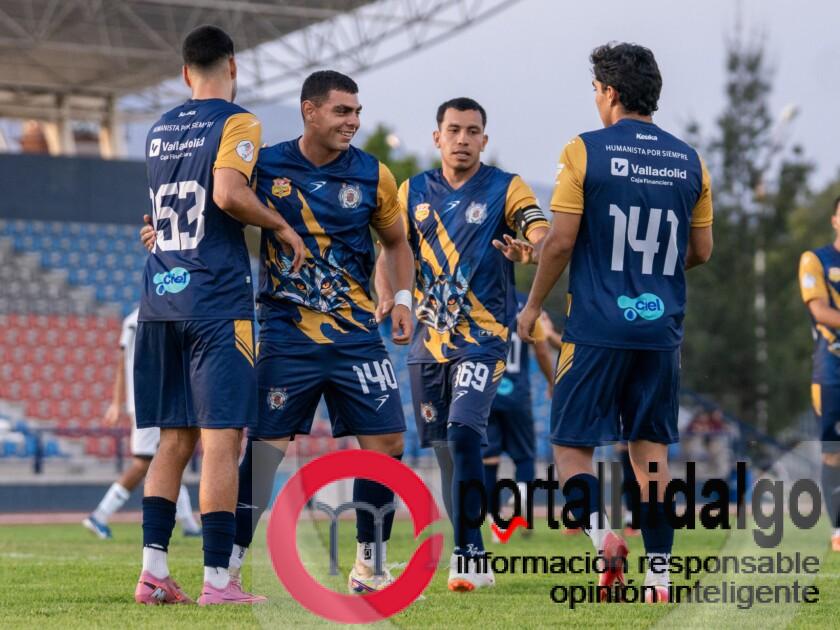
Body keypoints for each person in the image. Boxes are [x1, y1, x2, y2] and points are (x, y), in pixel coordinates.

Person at [517, 43, 713, 604]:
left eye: (596, 90)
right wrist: (650, 277)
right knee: (651, 457)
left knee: (571, 450)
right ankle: (659, 579)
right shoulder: (690, 160)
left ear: (609, 92)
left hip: (596, 328)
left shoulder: (584, 150)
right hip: (660, 330)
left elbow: (560, 241)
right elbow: (701, 250)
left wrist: (532, 306)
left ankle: (604, 536)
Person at [133, 24, 303, 606]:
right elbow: (228, 193)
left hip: (161, 297)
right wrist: (281, 225)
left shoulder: (159, 129)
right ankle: (217, 581)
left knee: (172, 439)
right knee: (222, 439)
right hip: (215, 301)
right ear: (233, 66)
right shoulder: (237, 122)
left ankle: (153, 573)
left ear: (185, 72)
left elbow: (160, 217)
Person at [228, 70, 415, 595]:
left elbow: (397, 243)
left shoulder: (373, 174)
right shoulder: (266, 165)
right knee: (264, 453)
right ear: (309, 111)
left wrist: (402, 299)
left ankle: (369, 567)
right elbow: (222, 201)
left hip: (356, 335)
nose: (353, 122)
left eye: (357, 112)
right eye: (342, 111)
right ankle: (227, 567)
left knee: (388, 444)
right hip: (287, 335)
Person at [376, 97, 550, 591]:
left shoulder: (505, 187)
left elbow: (540, 232)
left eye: (473, 131)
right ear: (437, 137)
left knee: (464, 434)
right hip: (428, 344)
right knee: (447, 454)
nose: (463, 139)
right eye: (453, 130)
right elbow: (390, 249)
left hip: (484, 339)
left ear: (484, 140)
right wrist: (390, 296)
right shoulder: (413, 190)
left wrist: (532, 249)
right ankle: (474, 551)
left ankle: (467, 553)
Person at [83, 307, 201, 540]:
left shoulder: (134, 319)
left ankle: (189, 524)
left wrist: (118, 402)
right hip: (152, 399)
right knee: (146, 462)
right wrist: (116, 402)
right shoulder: (158, 315)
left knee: (168, 459)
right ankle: (100, 515)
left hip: (149, 399)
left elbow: (122, 363)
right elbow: (126, 363)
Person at [482, 293, 554, 538]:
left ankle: (496, 521)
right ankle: (521, 498)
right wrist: (551, 381)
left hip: (486, 392)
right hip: (517, 394)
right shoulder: (528, 304)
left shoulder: (482, 299)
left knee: (488, 459)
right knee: (524, 456)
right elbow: (541, 350)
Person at [798, 195, 840, 552]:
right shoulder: (816, 260)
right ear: (835, 220)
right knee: (834, 451)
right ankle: (839, 529)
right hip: (832, 370)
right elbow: (820, 311)